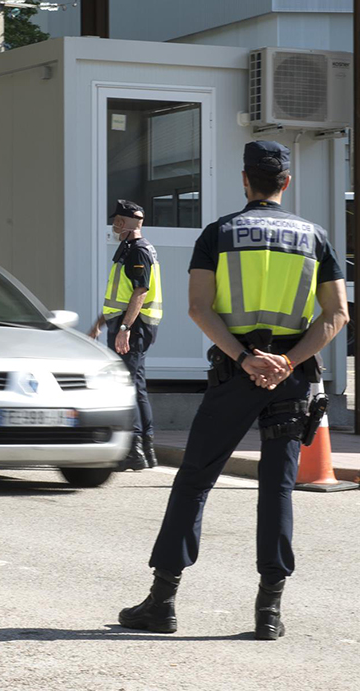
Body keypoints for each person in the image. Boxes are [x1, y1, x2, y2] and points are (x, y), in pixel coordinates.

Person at [117, 140, 348, 640]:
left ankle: (163, 602)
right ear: (285, 183)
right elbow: (336, 315)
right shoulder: (316, 237)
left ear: (245, 181)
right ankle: (269, 613)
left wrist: (246, 359)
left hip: (233, 373)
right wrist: (286, 361)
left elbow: (199, 307)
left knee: (195, 480)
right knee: (278, 489)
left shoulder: (219, 233)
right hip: (291, 378)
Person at [88, 200, 163, 471]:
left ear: (133, 222)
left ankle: (134, 451)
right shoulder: (129, 248)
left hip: (133, 328)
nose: (115, 225)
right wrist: (100, 323)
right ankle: (146, 451)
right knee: (137, 387)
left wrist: (124, 329)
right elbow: (118, 295)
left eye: (119, 220)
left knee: (128, 387)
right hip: (127, 325)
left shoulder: (139, 251)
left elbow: (140, 292)